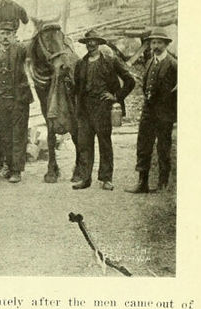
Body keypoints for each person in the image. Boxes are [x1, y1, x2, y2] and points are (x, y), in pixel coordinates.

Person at [72, 30, 135, 190]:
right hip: (85, 109)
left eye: (94, 41)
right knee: (85, 144)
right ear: (85, 44)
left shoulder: (110, 61)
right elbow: (76, 89)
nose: (91, 44)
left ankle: (106, 179)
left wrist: (116, 96)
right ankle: (85, 179)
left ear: (99, 43)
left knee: (104, 143)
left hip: (103, 108)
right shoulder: (80, 64)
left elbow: (130, 80)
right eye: (88, 42)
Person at [128, 28, 177, 194]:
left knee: (163, 147)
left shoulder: (173, 64)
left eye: (159, 43)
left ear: (166, 44)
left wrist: (172, 110)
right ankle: (142, 183)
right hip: (148, 111)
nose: (155, 46)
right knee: (143, 145)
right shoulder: (149, 62)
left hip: (164, 113)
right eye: (153, 42)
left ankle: (164, 184)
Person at [0, 26, 32, 184]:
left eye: (9, 34)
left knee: (18, 135)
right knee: (4, 135)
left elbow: (29, 52)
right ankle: (8, 164)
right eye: (3, 34)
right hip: (1, 100)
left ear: (14, 35)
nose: (5, 37)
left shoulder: (20, 50)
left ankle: (16, 170)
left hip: (18, 99)